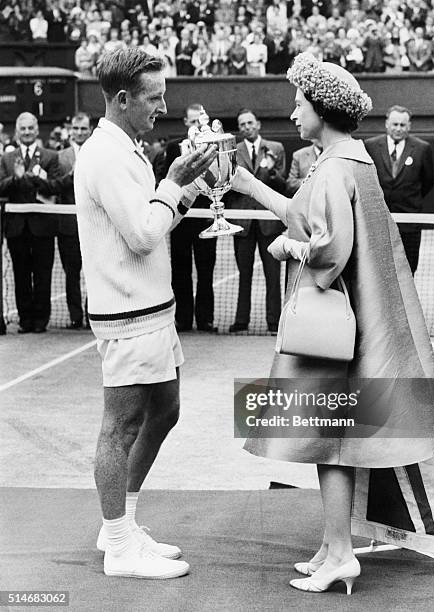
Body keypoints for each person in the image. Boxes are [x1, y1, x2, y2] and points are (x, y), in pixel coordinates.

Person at [232, 52, 434, 594]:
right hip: (356, 329)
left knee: (326, 440)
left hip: (330, 333)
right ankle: (334, 546)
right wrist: (243, 181)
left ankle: (340, 557)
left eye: (300, 103)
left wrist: (286, 249)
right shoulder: (350, 160)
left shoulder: (332, 168)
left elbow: (327, 252)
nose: (293, 112)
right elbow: (302, 211)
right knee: (330, 438)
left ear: (323, 110)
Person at [73, 48, 217, 579]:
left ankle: (124, 524)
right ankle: (117, 547)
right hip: (127, 316)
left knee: (166, 411)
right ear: (122, 99)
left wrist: (190, 188)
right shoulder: (105, 155)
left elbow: (154, 220)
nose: (164, 105)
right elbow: (141, 235)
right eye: (154, 97)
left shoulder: (127, 146)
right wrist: (176, 183)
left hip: (155, 309)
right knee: (120, 427)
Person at [153, 103, 218, 333]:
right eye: (191, 121)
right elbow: (164, 179)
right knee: (180, 270)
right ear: (185, 123)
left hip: (205, 218)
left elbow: (220, 180)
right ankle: (182, 318)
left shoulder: (213, 147)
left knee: (205, 270)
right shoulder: (173, 148)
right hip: (179, 219)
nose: (195, 125)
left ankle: (205, 319)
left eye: (199, 122)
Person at [0, 112, 62, 333]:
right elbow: (1, 187)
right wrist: (16, 178)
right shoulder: (6, 159)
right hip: (17, 228)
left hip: (43, 227)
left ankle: (40, 321)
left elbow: (55, 187)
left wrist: (35, 177)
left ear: (37, 131)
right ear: (17, 132)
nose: (26, 132)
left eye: (30, 128)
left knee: (43, 275)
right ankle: (25, 320)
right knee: (21, 276)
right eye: (22, 129)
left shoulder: (50, 157)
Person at [226, 108, 286, 333]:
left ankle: (274, 323)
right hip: (243, 223)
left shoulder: (276, 149)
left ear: (258, 124)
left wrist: (269, 172)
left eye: (250, 123)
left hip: (269, 221)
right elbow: (231, 185)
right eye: (242, 124)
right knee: (244, 275)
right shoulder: (233, 151)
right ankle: (241, 321)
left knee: (273, 276)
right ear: (239, 129)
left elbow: (282, 185)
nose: (247, 127)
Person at [365, 105, 434, 275]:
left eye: (402, 125)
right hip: (378, 220)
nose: (398, 129)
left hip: (409, 222)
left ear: (409, 126)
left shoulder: (422, 148)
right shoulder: (371, 146)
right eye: (394, 124)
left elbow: (428, 182)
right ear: (386, 124)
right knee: (379, 271)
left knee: (408, 270)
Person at [45, 112, 92, 329]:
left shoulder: (98, 152)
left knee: (95, 273)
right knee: (71, 274)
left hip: (94, 225)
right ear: (70, 130)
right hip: (68, 226)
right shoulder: (60, 156)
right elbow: (53, 186)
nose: (80, 132)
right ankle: (75, 316)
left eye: (83, 128)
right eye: (76, 128)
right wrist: (71, 177)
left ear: (89, 130)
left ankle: (94, 314)